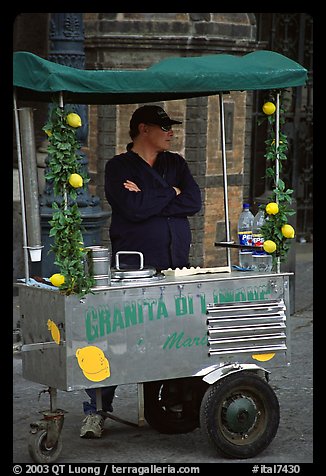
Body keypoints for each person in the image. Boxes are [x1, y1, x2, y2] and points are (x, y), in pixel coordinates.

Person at [80, 104, 202, 439]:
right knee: (118, 338)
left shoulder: (174, 162)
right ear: (143, 129)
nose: (171, 133)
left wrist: (152, 195)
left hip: (175, 265)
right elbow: (131, 210)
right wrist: (169, 194)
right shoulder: (118, 167)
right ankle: (97, 410)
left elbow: (193, 201)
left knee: (178, 334)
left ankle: (176, 401)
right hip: (133, 268)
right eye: (165, 127)